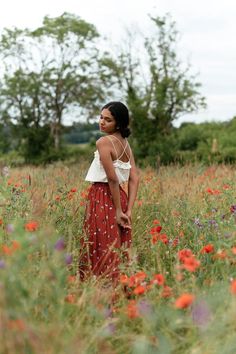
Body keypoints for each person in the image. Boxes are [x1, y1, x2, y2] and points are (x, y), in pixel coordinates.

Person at [79, 101, 139, 286]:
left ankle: (101, 291)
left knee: (100, 243)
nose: (102, 122)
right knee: (114, 245)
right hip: (119, 197)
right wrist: (128, 209)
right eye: (101, 117)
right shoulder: (126, 145)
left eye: (108, 120)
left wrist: (120, 211)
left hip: (102, 196)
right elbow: (134, 178)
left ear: (119, 124)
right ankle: (117, 290)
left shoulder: (103, 142)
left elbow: (112, 179)